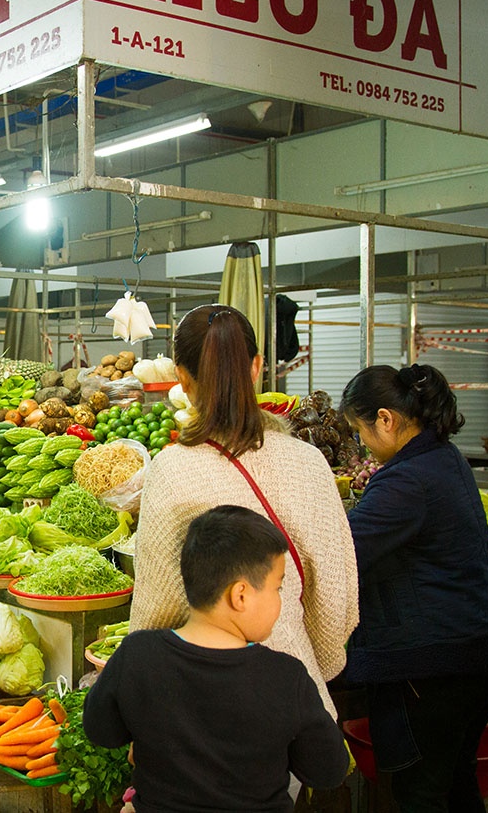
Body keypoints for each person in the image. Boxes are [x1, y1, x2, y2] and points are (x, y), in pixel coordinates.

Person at [131, 303, 359, 718]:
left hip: (201, 699)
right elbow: (336, 596)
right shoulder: (308, 462)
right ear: (256, 368)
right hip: (295, 695)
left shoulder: (172, 468)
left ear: (180, 377)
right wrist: (300, 648)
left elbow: (157, 607)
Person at [84, 505, 350, 812]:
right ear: (240, 595)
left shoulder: (137, 654)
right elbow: (328, 770)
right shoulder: (286, 676)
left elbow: (101, 731)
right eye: (277, 588)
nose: (279, 600)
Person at [339, 363, 488, 813]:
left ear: (385, 419)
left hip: (438, 669)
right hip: (483, 653)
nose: (361, 444)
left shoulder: (406, 480)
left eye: (359, 431)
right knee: (456, 783)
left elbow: (343, 551)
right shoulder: (444, 456)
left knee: (423, 794)